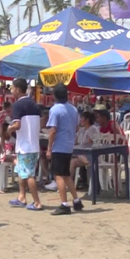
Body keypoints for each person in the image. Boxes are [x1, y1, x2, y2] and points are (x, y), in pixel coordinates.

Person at [6, 78, 43, 211]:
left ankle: (37, 202)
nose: (11, 91)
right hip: (33, 144)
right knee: (23, 171)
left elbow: (17, 124)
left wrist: (9, 129)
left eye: (12, 88)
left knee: (28, 175)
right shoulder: (34, 104)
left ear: (17, 89)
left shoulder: (17, 105)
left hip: (25, 145)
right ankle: (22, 197)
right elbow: (41, 121)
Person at [46, 83, 83, 215]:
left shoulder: (55, 110)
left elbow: (53, 130)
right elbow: (77, 127)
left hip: (59, 146)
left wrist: (49, 148)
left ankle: (64, 204)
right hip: (69, 144)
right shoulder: (73, 109)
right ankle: (77, 200)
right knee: (66, 175)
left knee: (59, 176)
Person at [71, 111, 100, 189]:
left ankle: (69, 184)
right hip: (81, 154)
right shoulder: (82, 130)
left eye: (81, 119)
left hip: (90, 155)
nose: (80, 121)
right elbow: (76, 142)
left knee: (72, 162)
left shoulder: (93, 129)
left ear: (87, 120)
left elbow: (91, 144)